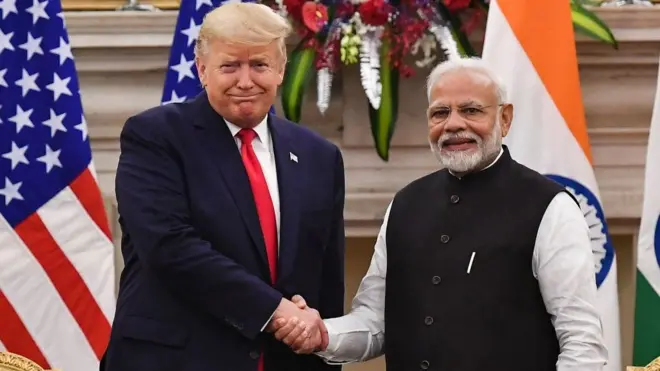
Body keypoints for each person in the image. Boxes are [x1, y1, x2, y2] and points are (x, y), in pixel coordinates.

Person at [273, 57, 609, 371]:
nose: (454, 125)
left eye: (471, 110)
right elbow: (375, 322)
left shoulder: (550, 207)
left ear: (504, 119)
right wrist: (323, 334)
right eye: (440, 113)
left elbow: (581, 341)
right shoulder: (405, 204)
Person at [101, 3, 345, 371]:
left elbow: (327, 279)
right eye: (230, 66)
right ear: (202, 70)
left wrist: (323, 351)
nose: (245, 81)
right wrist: (275, 311)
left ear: (280, 70)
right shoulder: (155, 136)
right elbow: (170, 247)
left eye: (259, 65)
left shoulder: (319, 156)